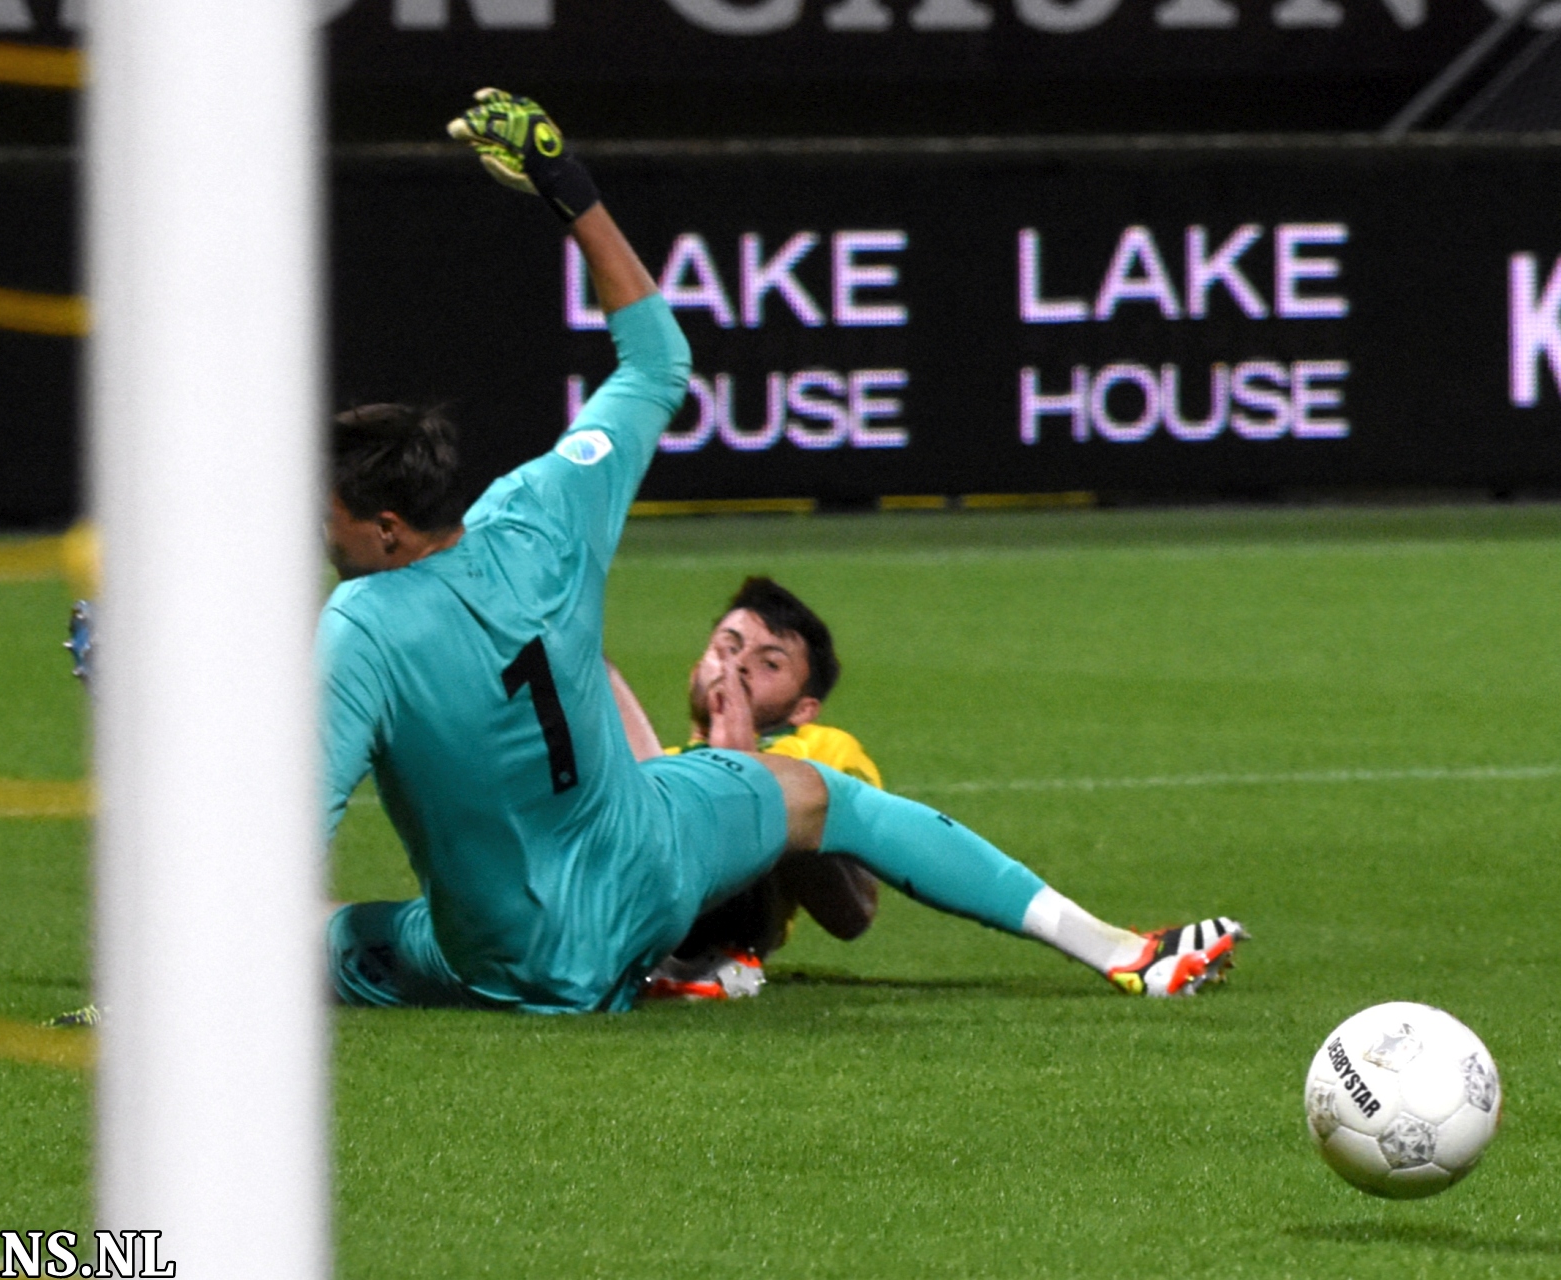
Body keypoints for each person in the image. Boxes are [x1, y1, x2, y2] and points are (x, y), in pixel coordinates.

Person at [321, 88, 1244, 1014]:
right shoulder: (545, 507)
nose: (318, 530)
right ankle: (1125, 950)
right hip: (650, 871)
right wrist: (571, 189)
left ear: (389, 529)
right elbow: (655, 361)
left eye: (331, 515)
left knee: (321, 934)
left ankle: (673, 961)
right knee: (822, 794)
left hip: (510, 959)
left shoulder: (361, 625)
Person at [609, 577, 887, 1000]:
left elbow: (852, 914)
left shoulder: (821, 752)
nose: (737, 666)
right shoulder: (658, 760)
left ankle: (708, 963)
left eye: (770, 664)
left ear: (803, 708)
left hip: (735, 929)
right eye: (727, 647)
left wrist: (751, 775)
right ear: (695, 669)